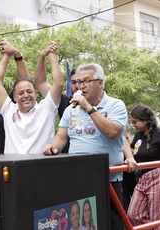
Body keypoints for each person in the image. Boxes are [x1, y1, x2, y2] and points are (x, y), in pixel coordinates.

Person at [43, 63, 127, 230]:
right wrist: (53, 147)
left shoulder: (115, 105)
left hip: (107, 179)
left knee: (110, 223)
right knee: (83, 223)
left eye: (87, 81)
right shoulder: (71, 109)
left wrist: (88, 107)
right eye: (78, 82)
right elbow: (61, 136)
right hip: (78, 176)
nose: (81, 86)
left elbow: (112, 132)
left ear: (100, 82)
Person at [0, 41, 63, 154]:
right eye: (21, 93)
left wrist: (51, 54)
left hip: (39, 166)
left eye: (29, 91)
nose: (26, 95)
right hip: (12, 168)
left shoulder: (46, 108)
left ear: (35, 93)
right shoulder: (8, 110)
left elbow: (58, 84)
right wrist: (7, 55)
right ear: (14, 97)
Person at [127, 105, 160, 229]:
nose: (133, 125)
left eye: (135, 122)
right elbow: (131, 152)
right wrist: (124, 140)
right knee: (134, 214)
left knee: (158, 218)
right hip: (142, 177)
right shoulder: (138, 136)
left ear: (145, 120)